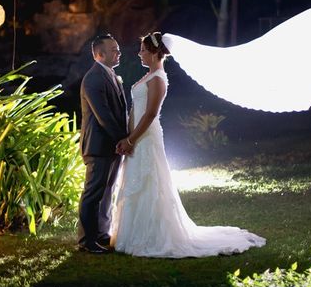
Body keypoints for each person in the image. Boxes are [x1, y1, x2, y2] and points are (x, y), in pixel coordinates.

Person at [111, 32, 265, 258]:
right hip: (136, 135)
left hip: (145, 137)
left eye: (143, 50)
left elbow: (151, 114)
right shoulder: (149, 76)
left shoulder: (158, 79)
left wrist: (132, 138)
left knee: (150, 182)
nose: (139, 53)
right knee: (136, 182)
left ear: (154, 53)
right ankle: (130, 233)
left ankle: (152, 235)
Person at [78, 34, 128, 254]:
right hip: (98, 147)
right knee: (93, 194)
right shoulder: (93, 78)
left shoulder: (110, 75)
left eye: (118, 48)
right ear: (100, 54)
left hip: (111, 147)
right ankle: (86, 241)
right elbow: (104, 116)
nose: (118, 52)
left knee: (107, 192)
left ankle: (101, 234)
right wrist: (124, 139)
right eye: (114, 49)